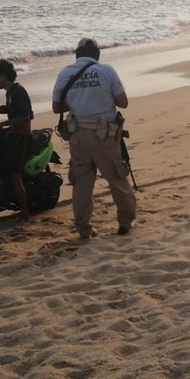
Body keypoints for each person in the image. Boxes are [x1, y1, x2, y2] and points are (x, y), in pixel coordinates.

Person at [52, 38, 136, 239]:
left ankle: (83, 228)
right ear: (97, 54)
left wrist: (78, 100)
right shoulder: (107, 71)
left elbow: (57, 108)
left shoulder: (65, 73)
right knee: (116, 178)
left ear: (77, 54)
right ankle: (125, 222)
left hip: (78, 135)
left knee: (82, 183)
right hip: (104, 134)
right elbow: (123, 103)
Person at [0, 59, 34, 222]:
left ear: (3, 76)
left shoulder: (18, 92)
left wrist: (1, 124)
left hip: (22, 138)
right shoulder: (10, 93)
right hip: (13, 135)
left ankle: (25, 214)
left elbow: (25, 116)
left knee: (15, 176)